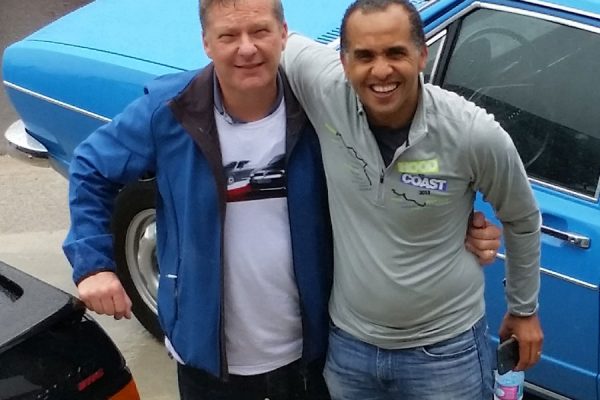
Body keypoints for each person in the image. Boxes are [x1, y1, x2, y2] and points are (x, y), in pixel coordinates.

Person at [62, 0, 501, 399]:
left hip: (310, 357)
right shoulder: (171, 110)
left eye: (260, 31)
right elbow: (91, 168)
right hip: (207, 361)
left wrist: (452, 222)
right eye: (229, 36)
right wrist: (94, 264)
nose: (247, 48)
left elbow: (398, 167)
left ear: (284, 34)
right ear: (206, 43)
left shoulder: (320, 107)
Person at [280, 0, 544, 399]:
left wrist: (523, 310)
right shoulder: (325, 88)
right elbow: (266, 38)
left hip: (446, 354)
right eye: (364, 56)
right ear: (344, 61)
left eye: (395, 53)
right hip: (349, 348)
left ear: (422, 55)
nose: (380, 70)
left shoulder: (471, 133)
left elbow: (522, 217)